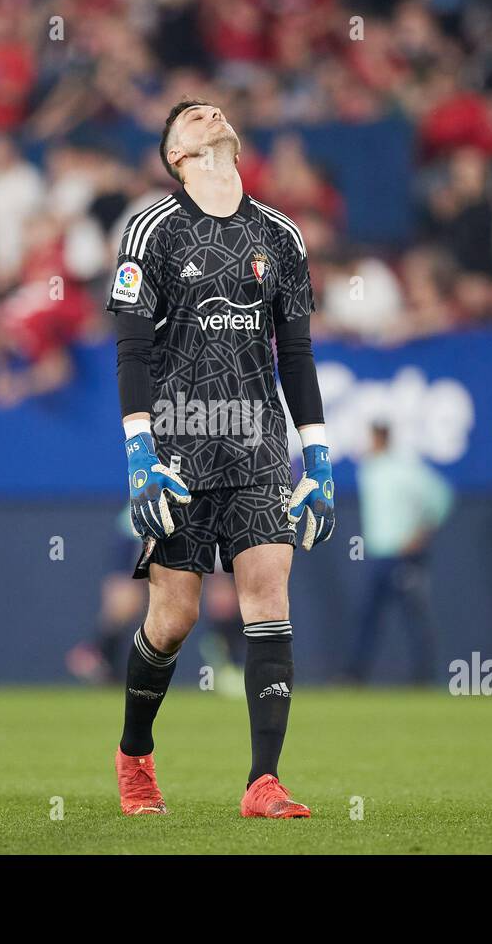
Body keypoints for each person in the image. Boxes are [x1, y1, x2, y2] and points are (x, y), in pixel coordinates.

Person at [106, 99, 334, 818]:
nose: (209, 113)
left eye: (215, 109)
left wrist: (319, 461)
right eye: (191, 117)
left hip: (259, 442)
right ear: (174, 154)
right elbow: (132, 348)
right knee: (174, 618)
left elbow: (295, 355)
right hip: (177, 442)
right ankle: (135, 754)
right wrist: (140, 452)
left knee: (268, 593)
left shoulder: (282, 235)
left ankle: (262, 782)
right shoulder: (151, 228)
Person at [344, 421, 452, 684]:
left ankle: (424, 678)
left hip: (404, 556)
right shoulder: (369, 470)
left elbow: (441, 496)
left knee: (414, 619)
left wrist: (419, 534)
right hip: (379, 556)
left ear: (379, 440)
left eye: (368, 439)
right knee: (368, 619)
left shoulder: (404, 468)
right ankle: (354, 676)